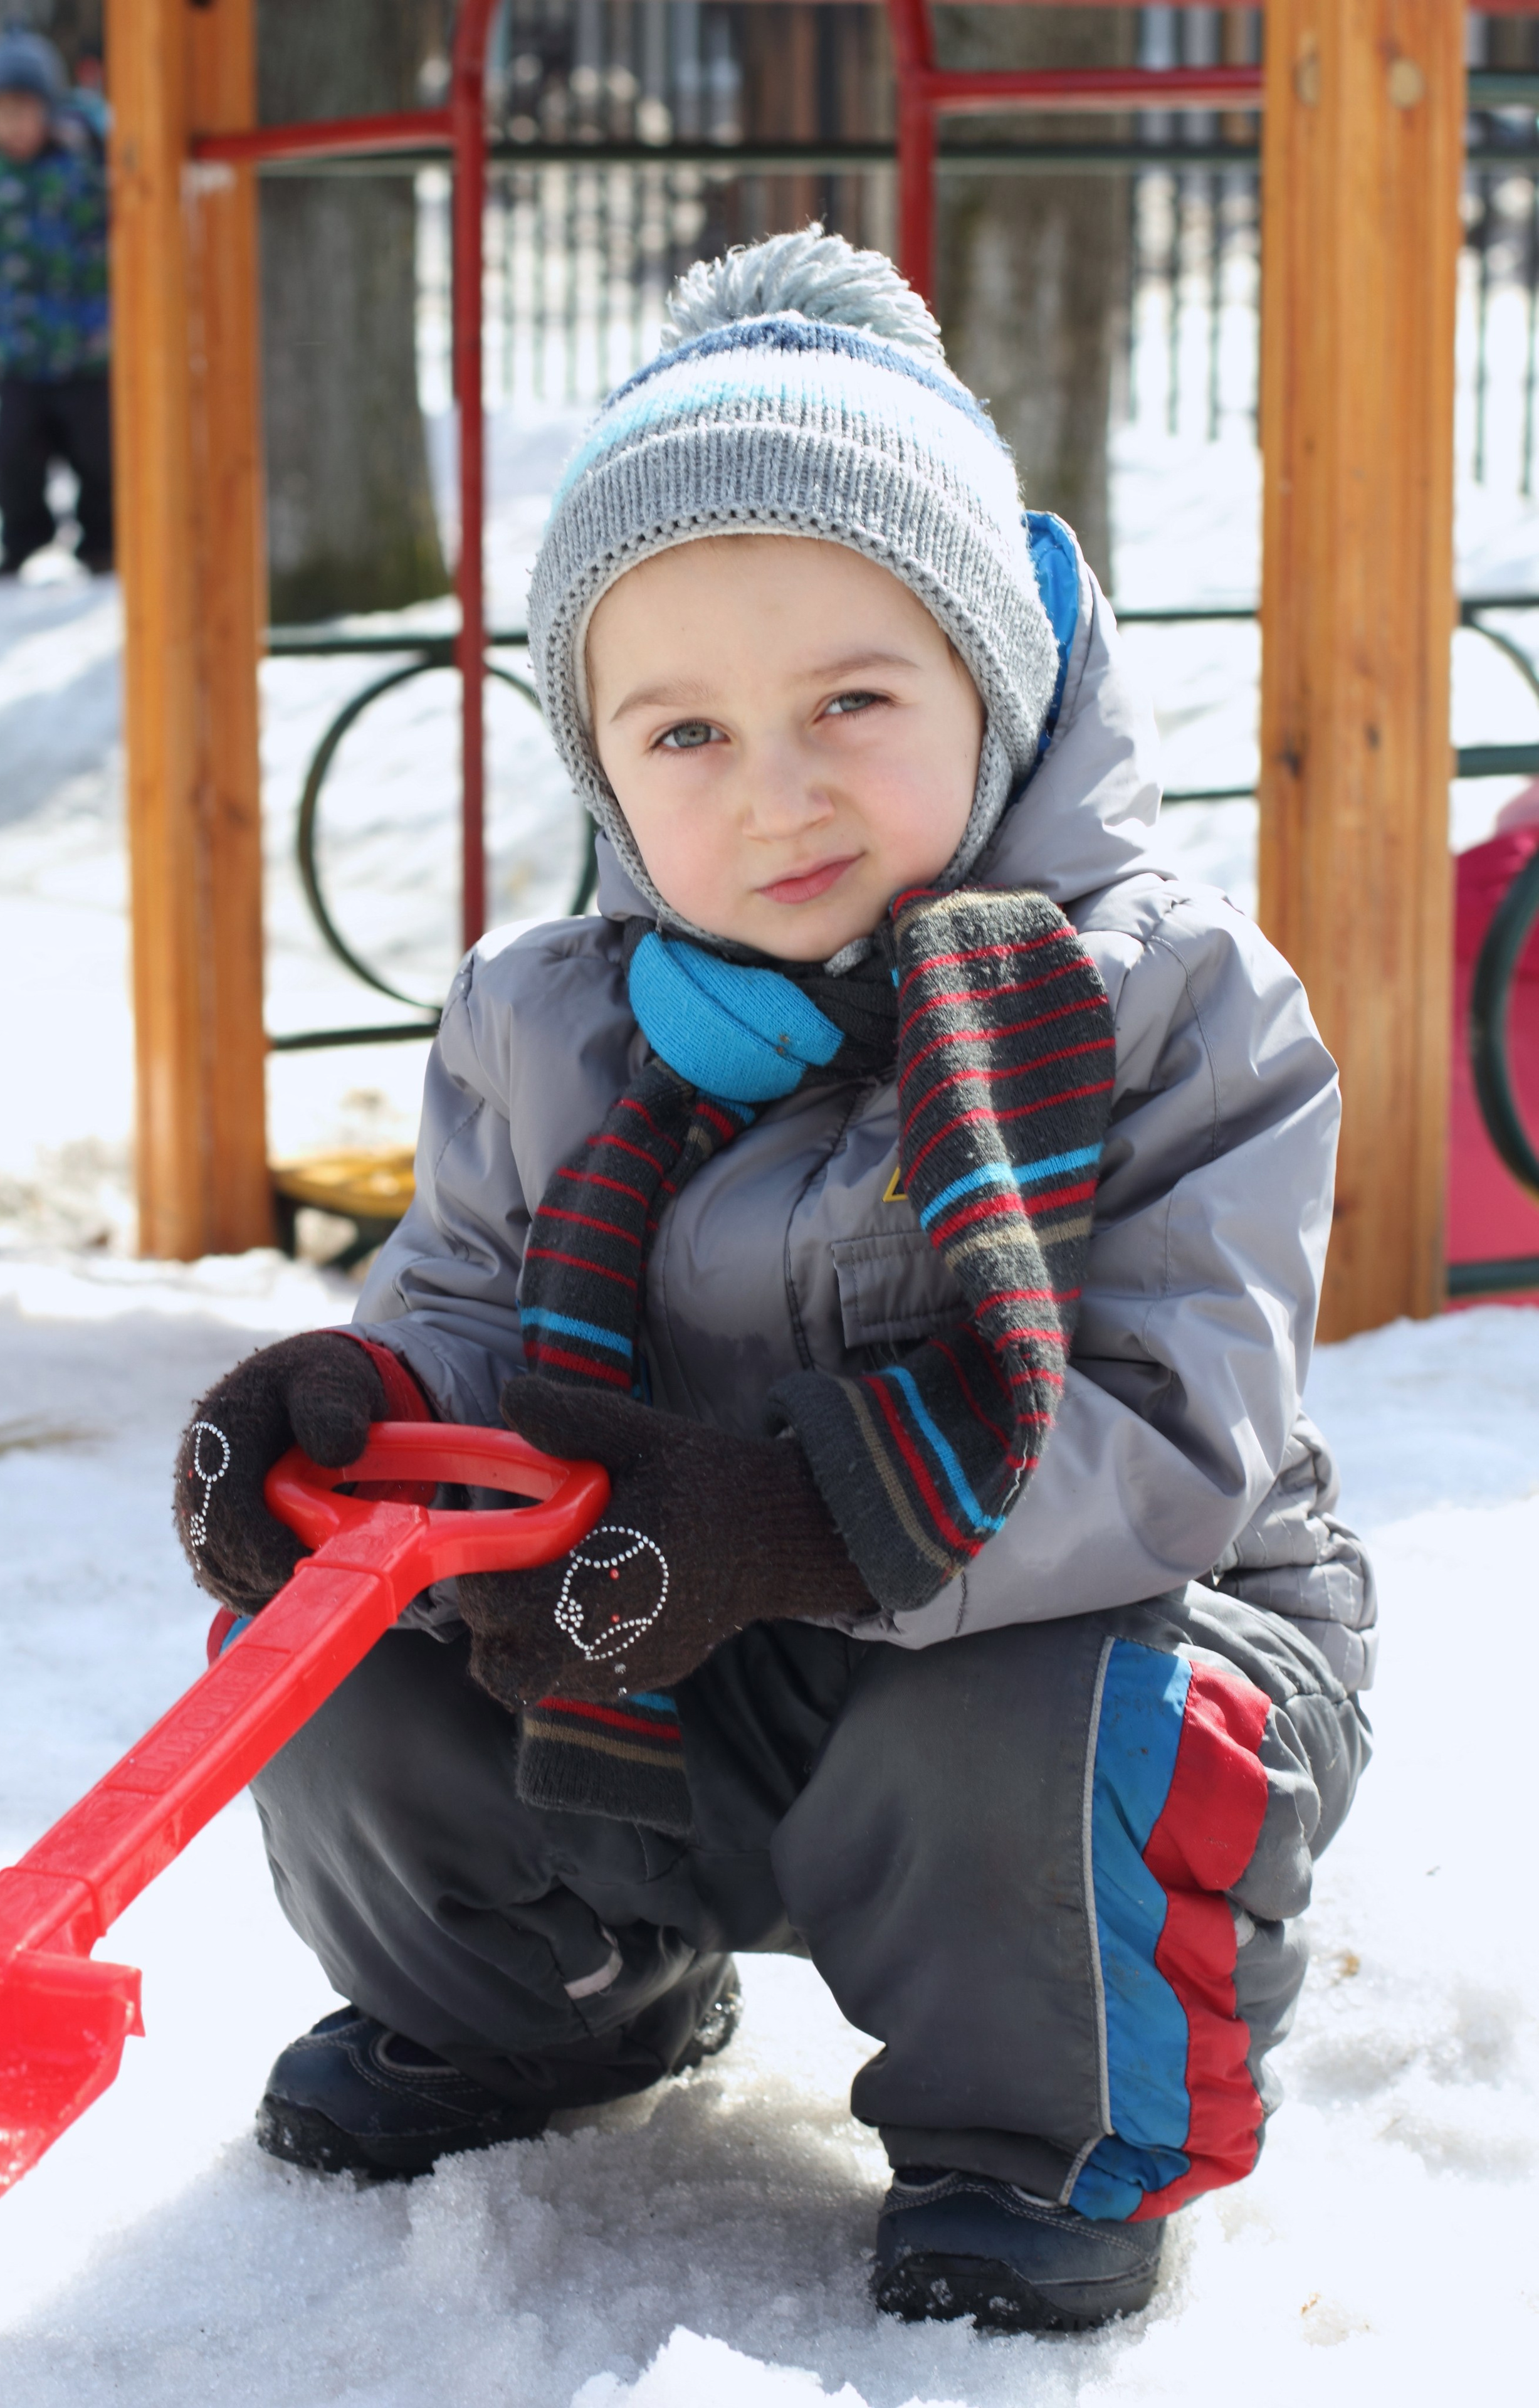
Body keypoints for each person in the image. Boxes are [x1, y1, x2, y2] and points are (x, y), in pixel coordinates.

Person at [176, 231, 1374, 2337]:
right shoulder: (550, 1020)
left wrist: (806, 1516)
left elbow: (1176, 1436)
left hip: (1086, 1620)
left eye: (853, 702)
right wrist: (349, 1439)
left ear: (991, 685)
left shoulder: (1167, 1002)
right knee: (347, 1676)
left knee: (1019, 1717)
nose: (779, 790)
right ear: (605, 770)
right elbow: (458, 1315)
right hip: (655, 1620)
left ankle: (1041, 2125)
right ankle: (542, 2009)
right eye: (690, 734)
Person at [0, 27, 112, 578]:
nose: (13, 127)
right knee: (12, 457)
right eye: (1, 115)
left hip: (88, 344)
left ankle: (103, 537)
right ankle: (23, 534)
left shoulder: (80, 167)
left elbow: (113, 145)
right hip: (20, 350)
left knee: (99, 456)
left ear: (49, 110)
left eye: (24, 112)